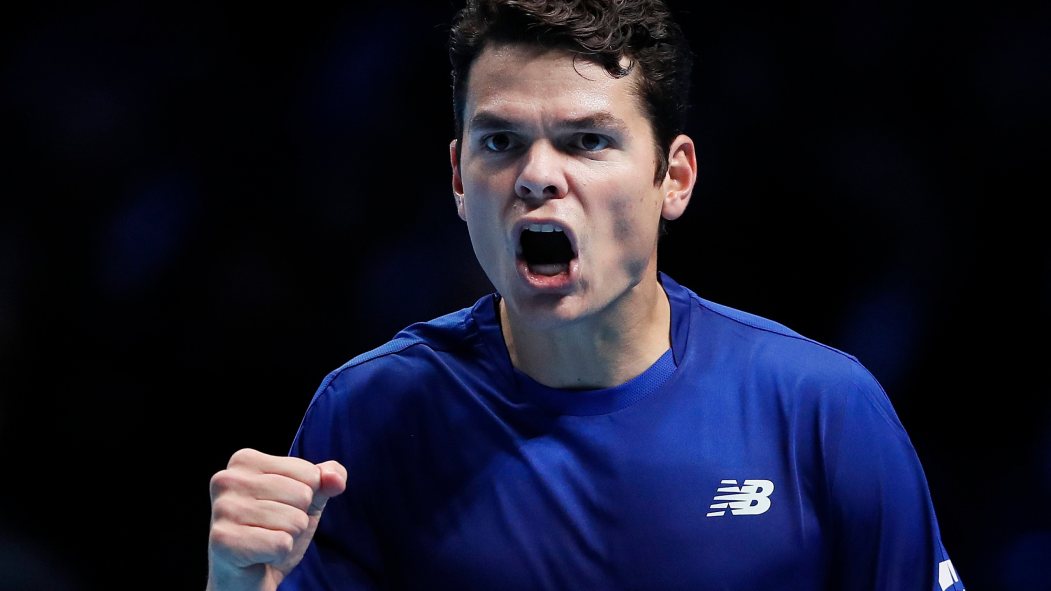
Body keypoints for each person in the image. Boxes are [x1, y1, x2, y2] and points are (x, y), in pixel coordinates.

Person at [206, 0, 966, 589]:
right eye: (500, 141)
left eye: (587, 140)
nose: (537, 176)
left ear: (674, 177)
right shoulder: (370, 413)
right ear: (458, 178)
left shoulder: (820, 410)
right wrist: (238, 584)